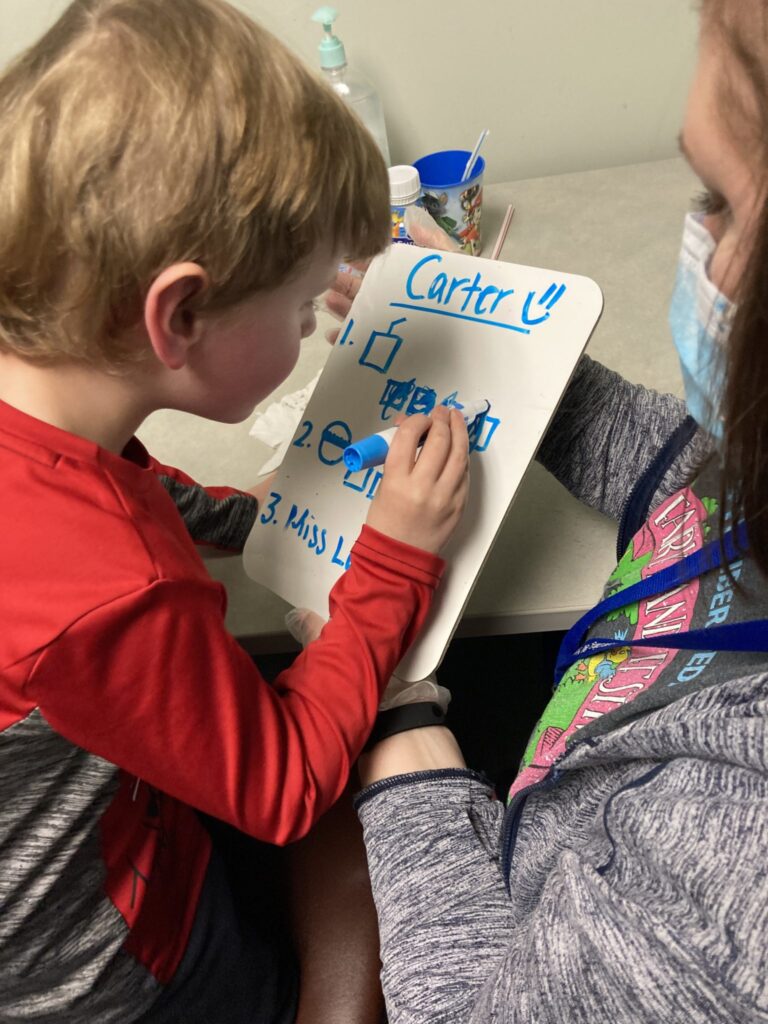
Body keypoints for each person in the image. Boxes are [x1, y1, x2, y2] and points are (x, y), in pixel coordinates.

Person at [0, 1, 471, 1021]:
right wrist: (396, 559)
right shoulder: (112, 588)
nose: (311, 329)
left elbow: (111, 478)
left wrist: (243, 510)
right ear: (179, 314)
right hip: (114, 970)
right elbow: (285, 782)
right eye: (302, 310)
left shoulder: (35, 405)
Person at [324, 1, 768, 1020]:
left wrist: (393, 703)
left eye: (721, 199)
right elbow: (680, 471)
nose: (699, 242)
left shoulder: (727, 906)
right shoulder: (746, 459)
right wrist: (487, 334)